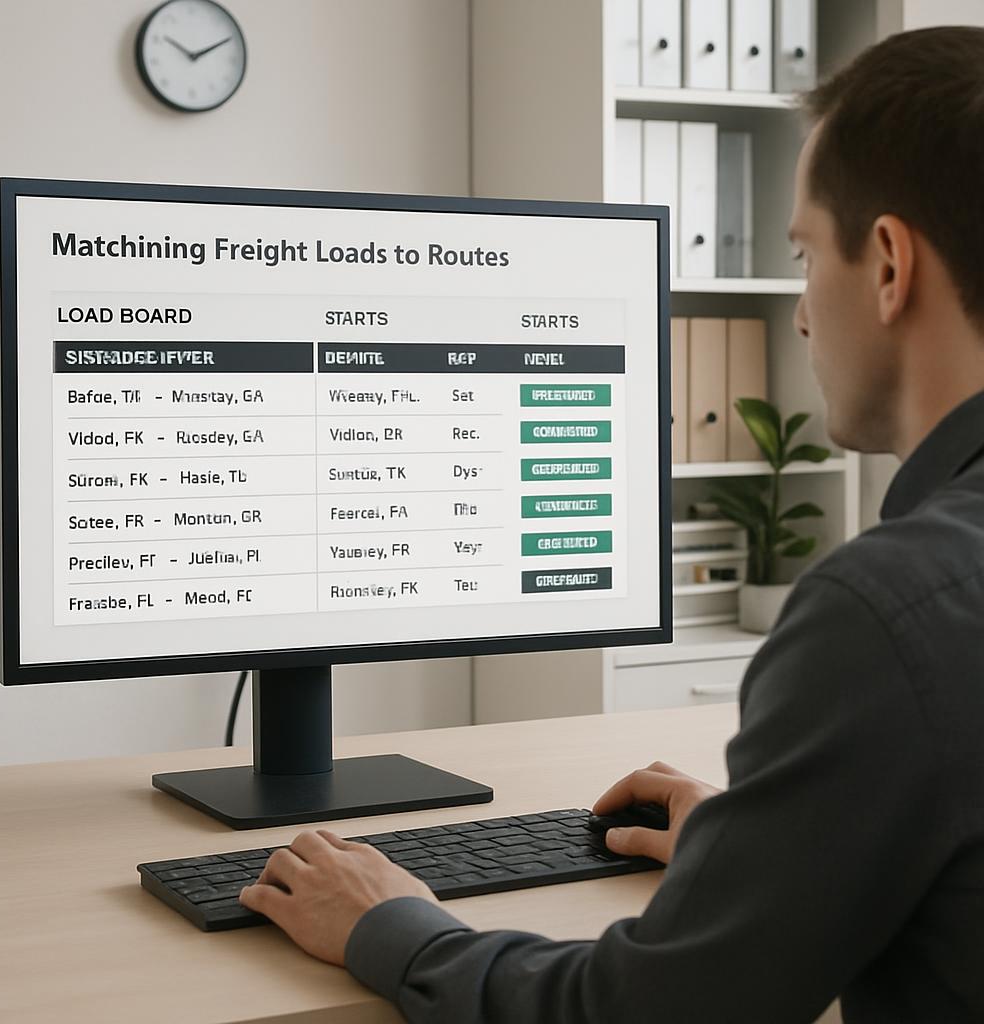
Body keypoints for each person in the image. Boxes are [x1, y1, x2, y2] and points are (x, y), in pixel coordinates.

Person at [239, 26, 984, 1023]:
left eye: (805, 253)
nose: (801, 315)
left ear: (888, 265)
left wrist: (392, 922)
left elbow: (641, 1012)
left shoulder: (887, 611)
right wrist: (765, 857)